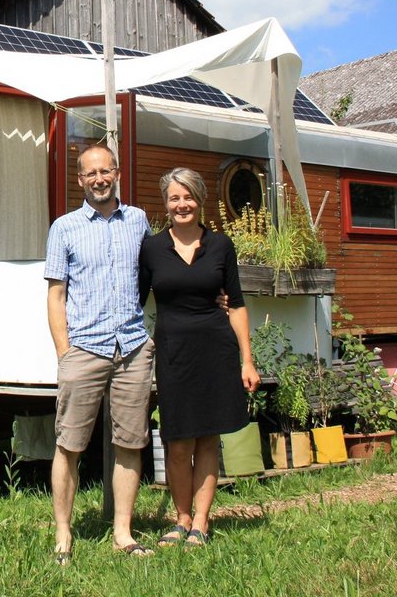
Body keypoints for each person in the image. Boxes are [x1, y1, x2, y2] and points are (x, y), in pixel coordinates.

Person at [44, 144, 155, 562]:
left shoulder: (139, 221)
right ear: (80, 180)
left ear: (117, 173)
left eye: (105, 171)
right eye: (90, 173)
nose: (99, 179)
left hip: (131, 347)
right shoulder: (65, 228)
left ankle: (123, 533)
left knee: (130, 442)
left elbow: (154, 273)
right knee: (69, 444)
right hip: (84, 349)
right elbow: (56, 296)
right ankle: (63, 535)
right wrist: (64, 353)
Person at [139, 167, 259, 548]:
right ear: (166, 203)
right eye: (175, 197)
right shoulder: (152, 248)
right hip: (174, 353)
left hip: (216, 350)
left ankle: (201, 523)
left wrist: (247, 360)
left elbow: (236, 305)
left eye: (188, 196)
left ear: (200, 199)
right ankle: (181, 518)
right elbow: (135, 302)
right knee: (178, 441)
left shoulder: (221, 245)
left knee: (208, 438)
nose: (182, 204)